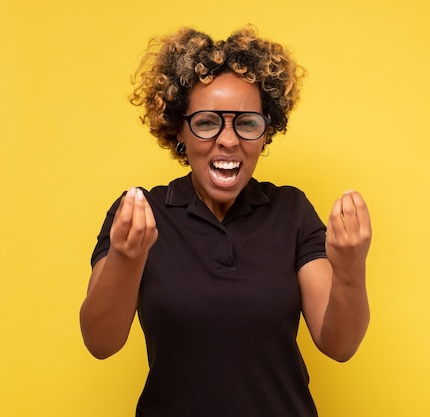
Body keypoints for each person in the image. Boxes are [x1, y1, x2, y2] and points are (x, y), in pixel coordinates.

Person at [79, 25, 372, 417]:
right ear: (179, 129)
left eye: (247, 123)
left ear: (265, 133)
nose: (229, 140)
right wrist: (126, 257)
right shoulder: (140, 214)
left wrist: (350, 269)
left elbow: (339, 345)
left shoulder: (292, 211)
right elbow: (100, 342)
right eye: (206, 122)